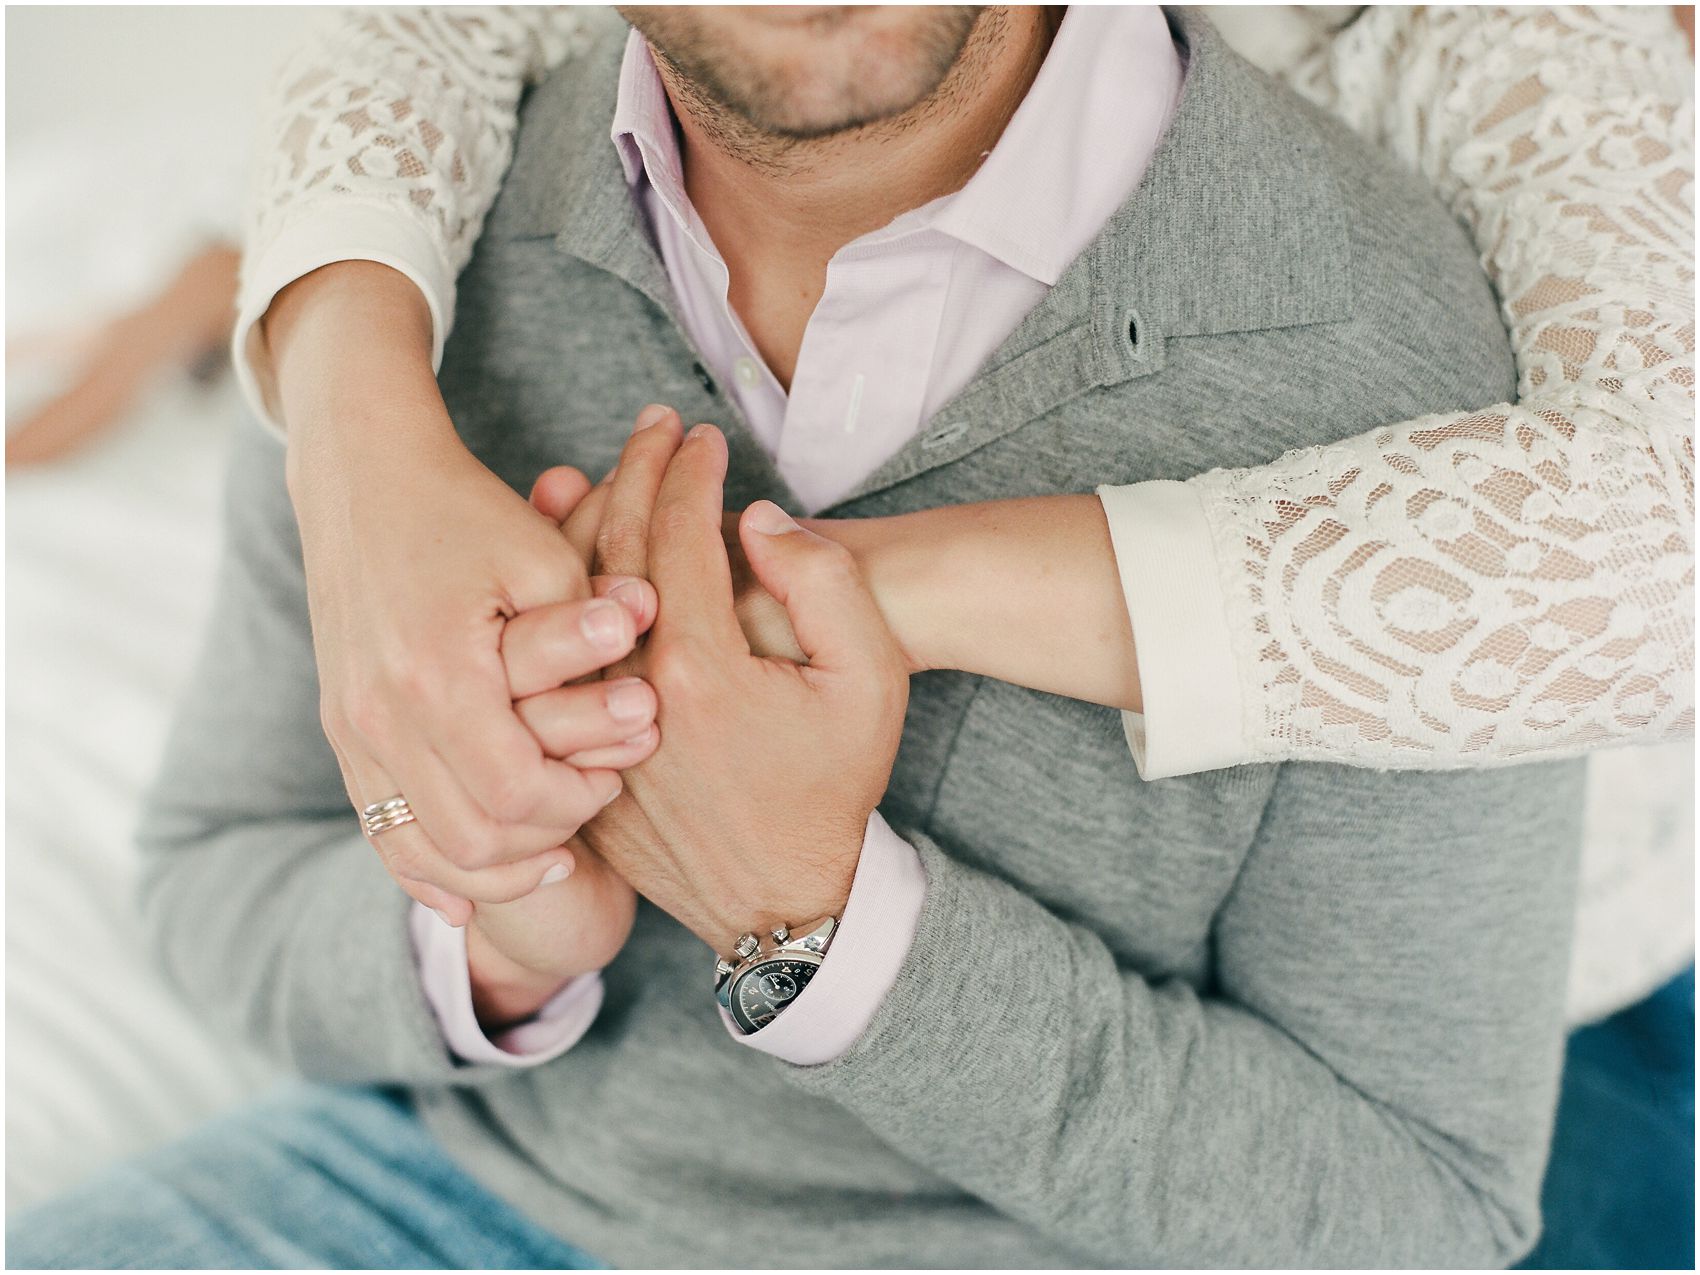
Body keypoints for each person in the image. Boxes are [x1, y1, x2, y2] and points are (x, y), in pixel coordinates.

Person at [12, 6, 1588, 1267]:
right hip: (426, 1199)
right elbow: (216, 870)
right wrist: (485, 929)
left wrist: (820, 923)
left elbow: (1418, 1209)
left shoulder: (1388, 367)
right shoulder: (396, 239)